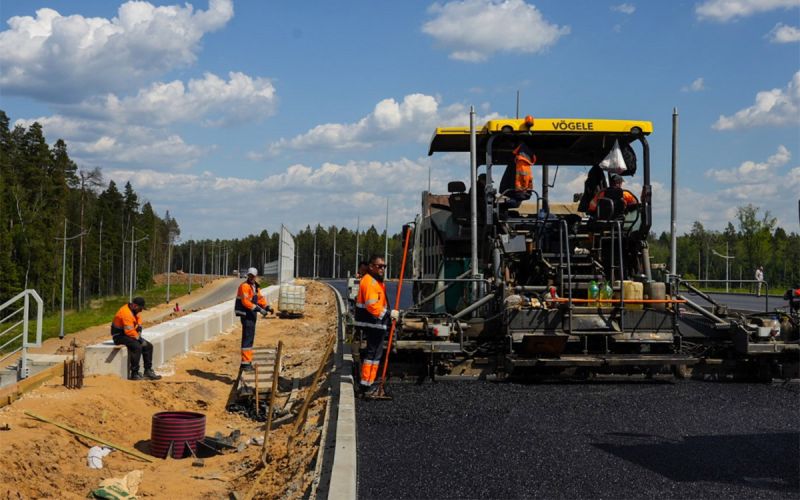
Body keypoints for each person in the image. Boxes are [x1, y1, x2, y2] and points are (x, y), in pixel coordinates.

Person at [354, 255, 398, 397]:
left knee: (375, 354)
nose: (382, 269)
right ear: (371, 266)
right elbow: (372, 305)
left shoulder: (376, 281)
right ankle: (367, 385)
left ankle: (369, 382)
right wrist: (389, 314)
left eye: (384, 266)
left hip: (376, 323)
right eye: (379, 266)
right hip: (372, 322)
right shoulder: (369, 282)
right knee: (372, 354)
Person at [111, 297, 161, 380]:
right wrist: (140, 339)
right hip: (119, 336)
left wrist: (139, 326)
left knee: (148, 346)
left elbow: (138, 318)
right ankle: (134, 373)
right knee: (137, 346)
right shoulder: (125, 313)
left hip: (127, 335)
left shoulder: (133, 310)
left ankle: (148, 371)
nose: (141, 311)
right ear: (135, 306)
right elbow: (129, 331)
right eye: (140, 308)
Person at [234, 267, 273, 371]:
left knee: (250, 338)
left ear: (255, 276)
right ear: (248, 275)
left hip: (251, 314)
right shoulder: (244, 286)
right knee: (247, 338)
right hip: (246, 315)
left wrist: (267, 307)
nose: (251, 277)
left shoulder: (255, 287)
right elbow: (245, 302)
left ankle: (246, 362)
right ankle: (246, 364)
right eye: (249, 275)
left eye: (253, 276)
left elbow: (259, 298)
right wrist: (259, 310)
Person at [499, 142, 535, 209]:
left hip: (520, 191)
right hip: (520, 191)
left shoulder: (521, 160)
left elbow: (524, 177)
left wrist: (521, 190)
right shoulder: (521, 159)